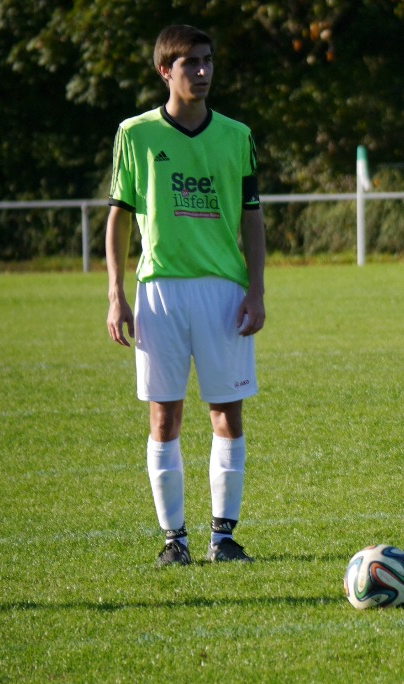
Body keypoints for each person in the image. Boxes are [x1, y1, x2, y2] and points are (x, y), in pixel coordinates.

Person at [106, 24, 266, 567]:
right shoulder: (135, 134)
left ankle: (224, 539)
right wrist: (115, 293)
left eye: (207, 61)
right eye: (190, 63)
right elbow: (119, 219)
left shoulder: (237, 136)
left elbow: (252, 220)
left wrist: (257, 291)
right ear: (164, 71)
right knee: (163, 418)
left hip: (224, 292)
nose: (201, 71)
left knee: (227, 414)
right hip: (159, 292)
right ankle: (174, 542)